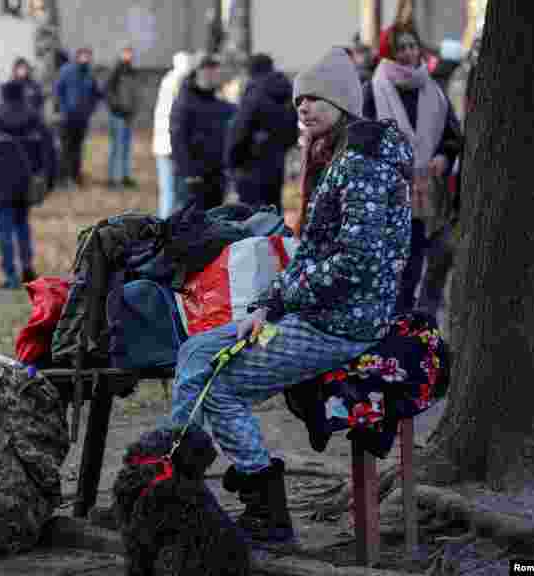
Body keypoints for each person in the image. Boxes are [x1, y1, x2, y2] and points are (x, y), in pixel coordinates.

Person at [169, 47, 412, 546]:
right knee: (194, 351)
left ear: (344, 101)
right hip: (321, 311)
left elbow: (355, 263)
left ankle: (262, 512)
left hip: (341, 323)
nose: (302, 107)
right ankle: (171, 474)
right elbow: (312, 254)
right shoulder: (341, 155)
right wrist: (267, 304)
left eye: (315, 98)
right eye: (298, 99)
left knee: (219, 385)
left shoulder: (363, 162)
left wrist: (281, 301)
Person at [363, 23, 461, 313]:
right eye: (401, 48)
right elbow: (361, 138)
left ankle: (418, 323)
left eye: (412, 46)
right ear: (390, 53)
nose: (408, 53)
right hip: (389, 196)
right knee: (399, 269)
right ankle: (396, 325)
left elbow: (452, 135)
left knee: (430, 259)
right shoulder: (373, 89)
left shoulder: (434, 90)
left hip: (428, 194)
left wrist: (444, 155)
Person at [0, 81, 55, 289]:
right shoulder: (35, 121)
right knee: (23, 225)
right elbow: (50, 153)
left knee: (4, 229)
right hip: (26, 184)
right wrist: (49, 181)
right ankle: (27, 267)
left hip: (0, 184)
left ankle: (10, 275)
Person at [225, 53, 298, 208]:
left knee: (252, 218)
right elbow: (292, 133)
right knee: (273, 212)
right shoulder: (286, 91)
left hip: (250, 166)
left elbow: (239, 131)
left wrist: (231, 161)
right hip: (276, 163)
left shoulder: (254, 93)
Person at [170, 53, 235, 211]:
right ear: (198, 72)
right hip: (194, 179)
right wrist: (189, 173)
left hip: (216, 177)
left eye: (215, 70)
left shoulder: (218, 102)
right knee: (189, 227)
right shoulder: (185, 101)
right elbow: (178, 139)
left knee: (214, 226)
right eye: (209, 70)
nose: (214, 74)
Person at [153, 51, 193, 218]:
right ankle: (167, 232)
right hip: (174, 147)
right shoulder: (180, 87)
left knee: (169, 193)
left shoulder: (167, 83)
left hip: (164, 146)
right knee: (175, 195)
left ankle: (164, 231)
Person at [55, 46, 101, 187]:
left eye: (87, 56)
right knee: (65, 148)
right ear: (77, 57)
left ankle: (75, 175)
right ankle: (63, 178)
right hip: (67, 117)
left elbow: (96, 94)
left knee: (78, 148)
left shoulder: (90, 74)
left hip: (82, 118)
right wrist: (63, 109)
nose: (85, 58)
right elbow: (58, 90)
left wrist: (90, 109)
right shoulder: (67, 71)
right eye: (82, 56)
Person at [105, 45, 140, 188]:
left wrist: (134, 108)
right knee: (116, 147)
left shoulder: (132, 71)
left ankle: (125, 176)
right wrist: (116, 107)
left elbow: (135, 92)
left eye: (130, 53)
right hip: (118, 115)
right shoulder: (115, 71)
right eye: (125, 53)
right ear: (121, 54)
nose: (128, 55)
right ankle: (113, 178)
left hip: (129, 115)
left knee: (127, 147)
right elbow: (108, 91)